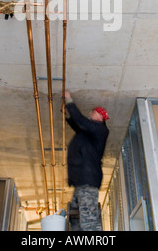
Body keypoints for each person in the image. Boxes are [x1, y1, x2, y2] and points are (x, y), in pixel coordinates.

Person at [64, 90, 109, 231]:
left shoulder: (100, 129)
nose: (90, 113)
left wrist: (69, 101)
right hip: (81, 181)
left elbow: (81, 122)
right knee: (76, 219)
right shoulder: (91, 132)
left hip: (87, 181)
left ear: (100, 117)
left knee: (89, 220)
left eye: (93, 112)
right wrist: (67, 114)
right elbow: (79, 125)